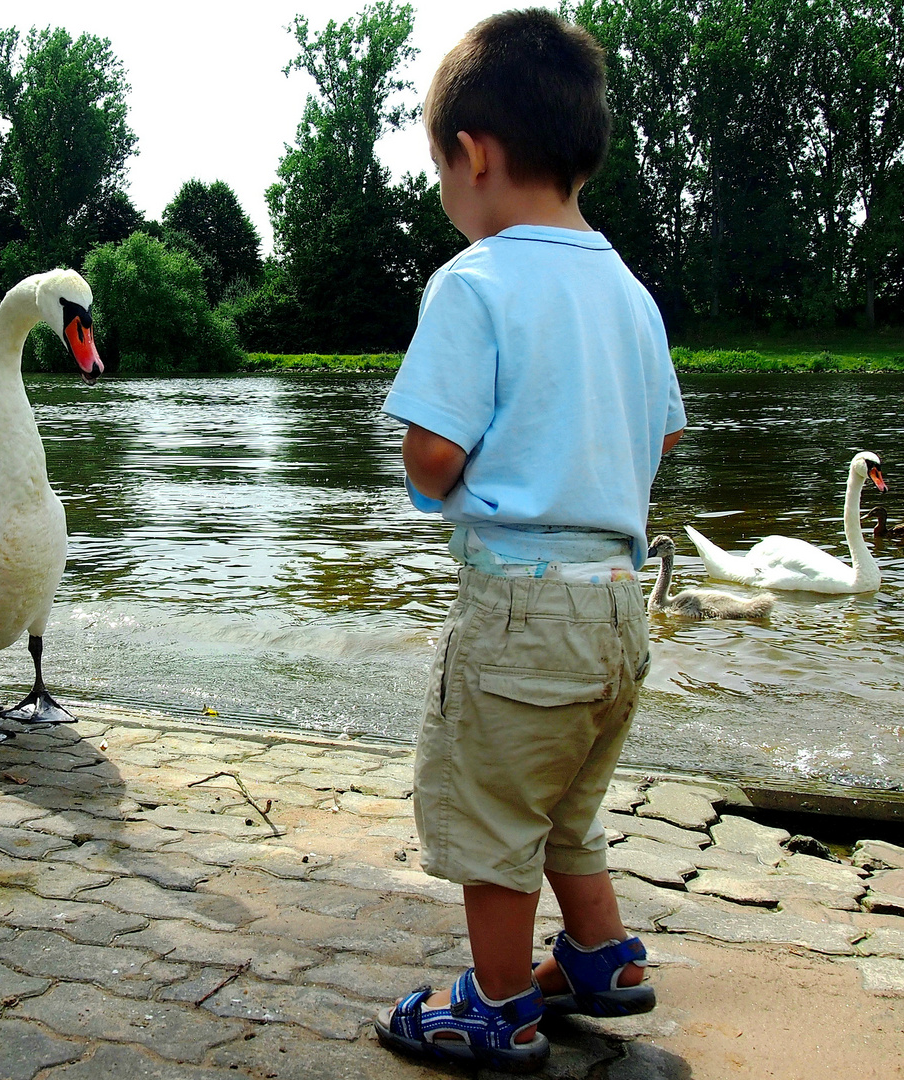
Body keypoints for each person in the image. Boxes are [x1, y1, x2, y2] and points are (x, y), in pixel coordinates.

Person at [372, 9, 685, 1074]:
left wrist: (447, 469)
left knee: (491, 811)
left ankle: (496, 1005)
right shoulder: (629, 290)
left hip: (522, 609)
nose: (448, 193)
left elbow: (431, 456)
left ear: (475, 155)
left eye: (441, 170)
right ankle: (604, 958)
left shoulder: (477, 282)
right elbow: (665, 432)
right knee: (567, 805)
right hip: (618, 608)